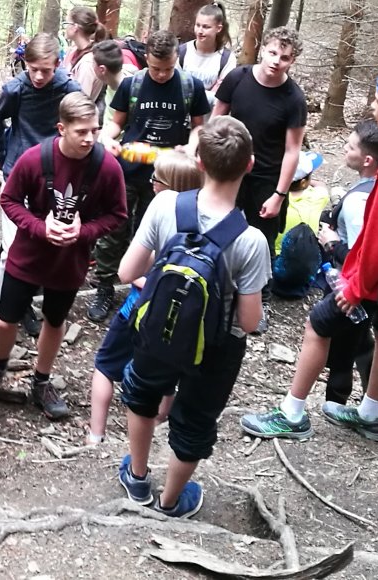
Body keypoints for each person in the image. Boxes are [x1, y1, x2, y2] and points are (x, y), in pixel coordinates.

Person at [240, 66, 378, 443]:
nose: (373, 107)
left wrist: (356, 288)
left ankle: (291, 415)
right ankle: (370, 415)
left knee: (317, 325)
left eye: (377, 102)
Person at [117, 116, 269, 517]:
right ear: (250, 165)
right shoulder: (251, 240)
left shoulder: (165, 204)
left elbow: (127, 272)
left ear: (198, 161)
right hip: (216, 348)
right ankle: (170, 501)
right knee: (195, 420)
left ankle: (137, 476)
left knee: (143, 392)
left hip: (157, 330)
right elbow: (249, 322)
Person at [0, 93, 127, 420]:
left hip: (70, 260)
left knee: (54, 320)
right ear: (61, 129)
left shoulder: (107, 166)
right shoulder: (35, 159)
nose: (90, 138)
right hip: (28, 254)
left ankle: (41, 380)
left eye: (95, 130)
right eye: (82, 131)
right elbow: (9, 199)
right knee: (6, 319)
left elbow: (118, 214)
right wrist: (39, 227)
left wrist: (84, 231)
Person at [89, 30, 210, 323]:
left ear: (176, 58)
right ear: (147, 59)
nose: (161, 74)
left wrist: (192, 145)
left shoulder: (190, 86)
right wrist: (107, 138)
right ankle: (104, 286)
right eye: (156, 68)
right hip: (129, 170)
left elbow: (198, 126)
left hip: (169, 177)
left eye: (168, 68)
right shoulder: (132, 84)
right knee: (114, 229)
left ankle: (148, 288)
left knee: (156, 234)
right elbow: (116, 122)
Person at [88, 150, 201, 444]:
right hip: (179, 317)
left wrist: (145, 278)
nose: (151, 182)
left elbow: (128, 273)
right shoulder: (205, 220)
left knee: (104, 366)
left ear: (167, 185)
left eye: (156, 178)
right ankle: (157, 429)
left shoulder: (159, 213)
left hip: (138, 309)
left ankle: (95, 436)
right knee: (167, 377)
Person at [0, 33, 81, 348]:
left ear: (58, 64)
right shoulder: (15, 89)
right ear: (25, 63)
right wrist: (4, 162)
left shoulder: (69, 90)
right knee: (12, 247)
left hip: (55, 177)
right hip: (19, 173)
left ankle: (24, 304)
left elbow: (80, 127)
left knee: (45, 240)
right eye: (33, 69)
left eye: (46, 70)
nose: (38, 76)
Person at [212, 26, 307, 260]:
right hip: (231, 168)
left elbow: (292, 150)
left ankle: (260, 284)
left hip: (267, 178)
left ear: (292, 61)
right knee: (216, 235)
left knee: (262, 244)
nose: (276, 61)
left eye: (284, 58)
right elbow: (215, 123)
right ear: (263, 49)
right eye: (272, 53)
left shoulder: (294, 99)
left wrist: (279, 195)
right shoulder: (237, 78)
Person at [318, 119, 378, 406]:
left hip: (352, 288)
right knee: (359, 341)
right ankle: (375, 400)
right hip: (369, 288)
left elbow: (362, 257)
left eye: (350, 147)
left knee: (341, 349)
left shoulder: (358, 202)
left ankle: (336, 405)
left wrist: (331, 243)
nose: (344, 149)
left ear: (367, 160)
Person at [177, 3, 236, 94]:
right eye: (197, 25)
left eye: (206, 27)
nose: (200, 31)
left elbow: (221, 93)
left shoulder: (227, 59)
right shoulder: (181, 52)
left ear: (218, 28)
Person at [62, 6, 108, 101]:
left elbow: (80, 100)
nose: (64, 27)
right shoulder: (73, 51)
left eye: (66, 23)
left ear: (75, 27)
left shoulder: (87, 64)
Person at [91, 39, 134, 126]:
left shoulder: (128, 90)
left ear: (102, 70)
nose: (91, 66)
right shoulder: (111, 81)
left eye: (93, 63)